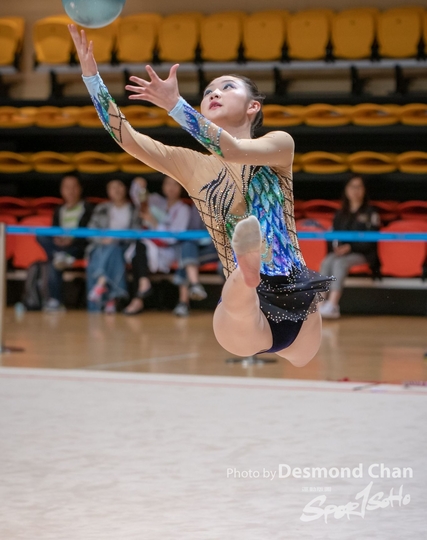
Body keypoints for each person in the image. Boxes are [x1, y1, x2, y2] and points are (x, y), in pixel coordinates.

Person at [69, 25, 333, 366]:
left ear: (253, 106)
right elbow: (128, 139)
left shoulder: (278, 146)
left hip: (299, 302)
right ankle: (248, 274)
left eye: (227, 87)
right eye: (208, 92)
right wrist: (91, 78)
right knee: (240, 300)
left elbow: (233, 150)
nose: (214, 93)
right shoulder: (192, 165)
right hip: (245, 312)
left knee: (301, 361)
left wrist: (175, 105)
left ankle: (248, 271)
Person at [122, 175, 191, 316]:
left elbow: (174, 238)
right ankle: (142, 286)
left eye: (175, 184)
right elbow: (137, 197)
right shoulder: (156, 201)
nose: (171, 188)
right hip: (148, 246)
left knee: (139, 251)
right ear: (163, 186)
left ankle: (138, 298)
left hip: (169, 250)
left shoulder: (184, 209)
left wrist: (154, 222)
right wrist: (138, 184)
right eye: (168, 184)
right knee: (138, 250)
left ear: (181, 188)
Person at [319, 176, 381, 319]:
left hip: (363, 254)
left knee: (339, 263)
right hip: (341, 253)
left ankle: (333, 304)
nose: (355, 190)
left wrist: (350, 248)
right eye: (352, 187)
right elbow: (334, 236)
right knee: (327, 261)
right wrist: (337, 247)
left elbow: (371, 241)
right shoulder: (340, 214)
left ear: (364, 190)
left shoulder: (371, 213)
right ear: (346, 190)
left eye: (359, 187)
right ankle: (319, 304)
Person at [37, 174, 93, 312]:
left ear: (80, 189)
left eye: (74, 187)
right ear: (62, 190)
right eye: (67, 187)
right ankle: (60, 256)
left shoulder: (87, 208)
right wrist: (58, 239)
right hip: (60, 246)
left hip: (78, 246)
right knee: (42, 236)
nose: (71, 191)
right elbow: (54, 229)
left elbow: (88, 232)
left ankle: (55, 300)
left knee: (54, 262)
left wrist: (72, 239)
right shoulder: (59, 210)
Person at [86, 179, 140, 313]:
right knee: (111, 252)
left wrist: (116, 238)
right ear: (108, 191)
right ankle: (111, 299)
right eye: (113, 187)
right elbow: (91, 230)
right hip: (101, 246)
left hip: (124, 246)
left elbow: (137, 232)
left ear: (125, 189)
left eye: (119, 186)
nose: (117, 190)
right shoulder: (101, 208)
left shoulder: (133, 209)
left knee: (115, 249)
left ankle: (100, 285)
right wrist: (102, 240)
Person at [172, 202, 219, 317]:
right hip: (198, 248)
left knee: (185, 258)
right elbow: (192, 230)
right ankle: (195, 285)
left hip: (217, 250)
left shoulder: (222, 202)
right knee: (187, 247)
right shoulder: (196, 204)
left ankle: (184, 302)